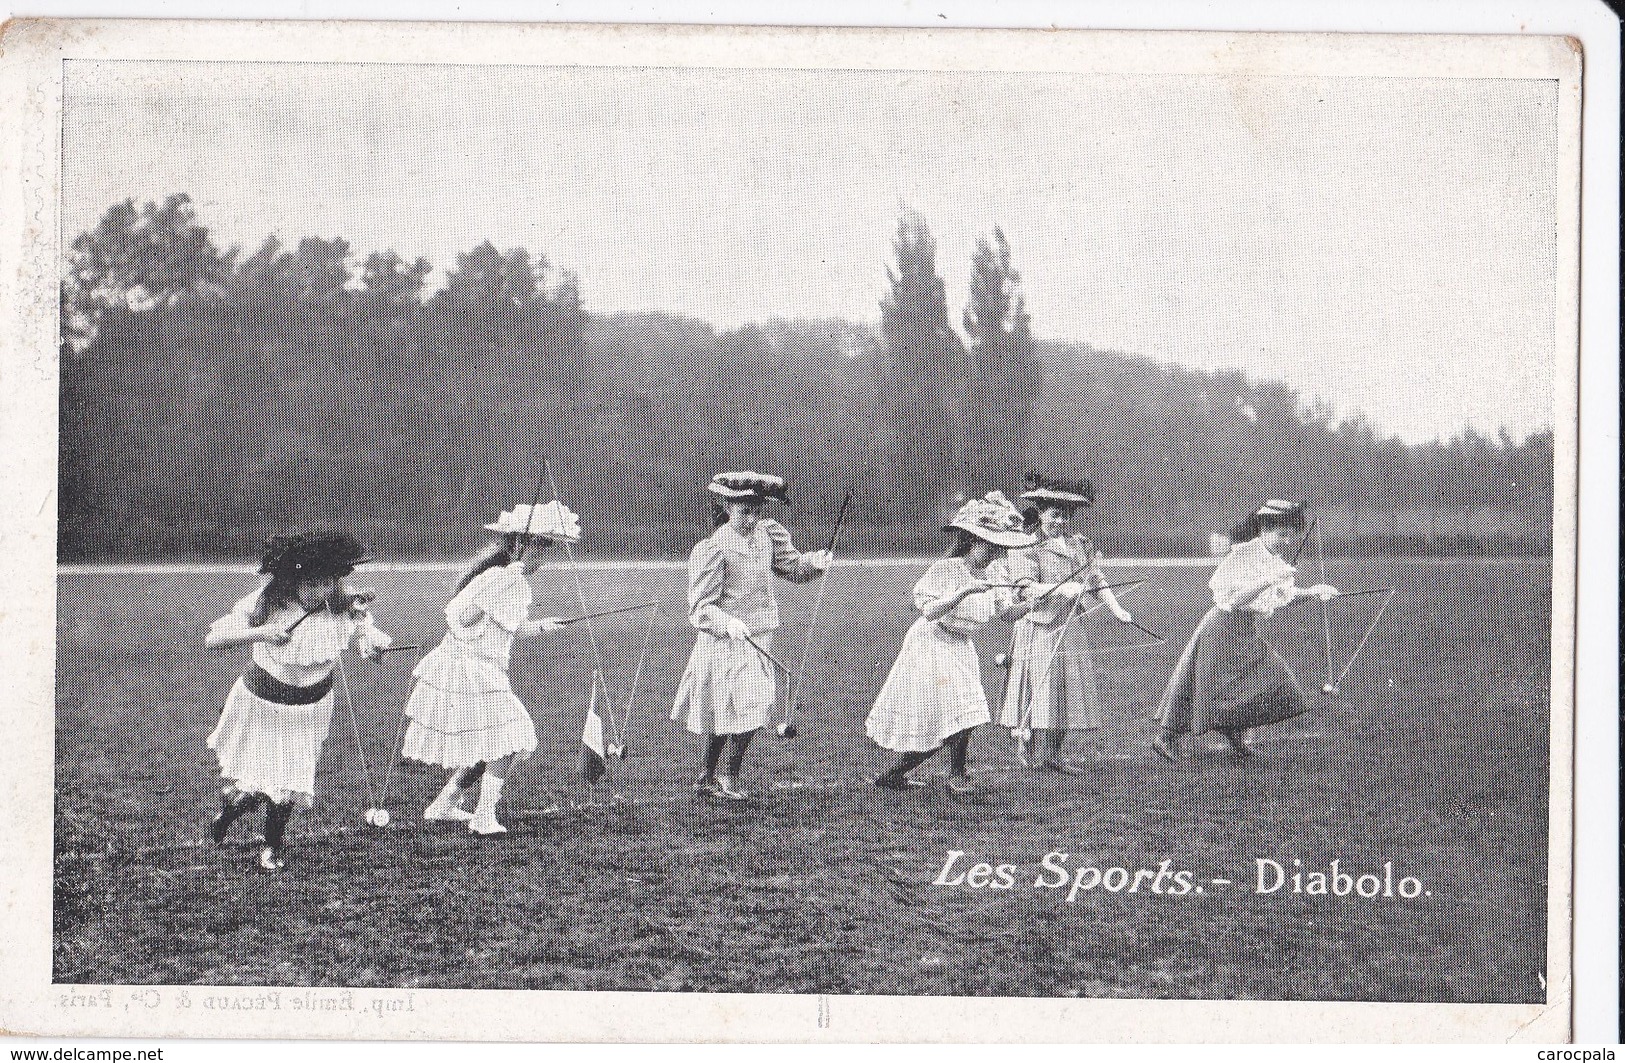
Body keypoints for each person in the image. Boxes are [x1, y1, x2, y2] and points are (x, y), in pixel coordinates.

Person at [204, 529, 391, 872]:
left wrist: (372, 647)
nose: (321, 592)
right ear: (293, 580)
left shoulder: (346, 606)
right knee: (265, 781)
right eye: (313, 584)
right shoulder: (264, 603)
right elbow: (213, 639)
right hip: (262, 704)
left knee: (288, 782)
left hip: (311, 709)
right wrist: (260, 633)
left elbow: (369, 643)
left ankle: (270, 847)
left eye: (329, 584)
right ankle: (233, 811)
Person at [400, 502, 578, 835]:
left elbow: (508, 625)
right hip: (467, 667)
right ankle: (483, 816)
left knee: (491, 740)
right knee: (511, 737)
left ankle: (443, 804)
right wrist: (500, 586)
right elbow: (461, 618)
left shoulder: (512, 581)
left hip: (480, 666)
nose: (546, 555)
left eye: (548, 547)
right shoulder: (501, 577)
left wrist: (542, 626)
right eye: (541, 546)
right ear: (519, 545)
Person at [672, 472, 832, 800]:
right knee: (724, 710)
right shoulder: (713, 547)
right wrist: (727, 623)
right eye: (744, 508)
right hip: (723, 639)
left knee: (753, 706)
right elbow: (700, 607)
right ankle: (708, 775)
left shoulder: (769, 534)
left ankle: (728, 775)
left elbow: (793, 568)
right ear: (728, 506)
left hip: (759, 635)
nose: (752, 515)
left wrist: (815, 563)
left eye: (757, 507)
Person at [867, 492, 1035, 793]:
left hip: (961, 646)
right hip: (931, 643)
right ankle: (956, 775)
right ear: (972, 541)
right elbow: (929, 611)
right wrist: (963, 592)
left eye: (1002, 549)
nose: (998, 554)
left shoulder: (996, 570)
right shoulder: (945, 569)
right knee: (956, 715)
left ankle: (895, 774)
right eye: (992, 547)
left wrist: (1038, 602)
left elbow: (1006, 613)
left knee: (962, 714)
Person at [1152, 499, 1339, 760]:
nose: (1286, 542)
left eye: (1290, 536)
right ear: (1264, 529)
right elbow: (1233, 599)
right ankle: (1167, 738)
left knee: (1267, 679)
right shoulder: (1242, 554)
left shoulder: (1274, 559)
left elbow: (1282, 596)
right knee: (1202, 683)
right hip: (1221, 628)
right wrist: (1269, 579)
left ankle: (1235, 733)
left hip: (1246, 630)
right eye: (1281, 535)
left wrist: (1313, 591)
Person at [998, 472, 1135, 773]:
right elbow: (1025, 588)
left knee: (1066, 690)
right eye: (1055, 515)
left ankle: (1054, 755)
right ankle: (1028, 748)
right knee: (1038, 688)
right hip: (1038, 625)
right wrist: (1062, 588)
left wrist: (1116, 608)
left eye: (1066, 516)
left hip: (1069, 624)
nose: (1061, 522)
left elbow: (1096, 580)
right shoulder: (1024, 546)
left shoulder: (1079, 545)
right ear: (1040, 512)